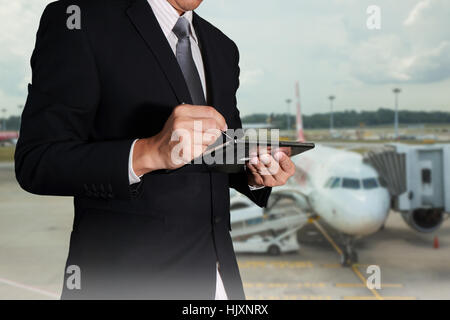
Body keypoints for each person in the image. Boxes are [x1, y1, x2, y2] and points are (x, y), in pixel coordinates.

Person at [15, 0, 295, 299]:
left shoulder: (222, 46)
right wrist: (149, 152)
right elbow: (37, 161)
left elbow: (219, 148)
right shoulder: (79, 21)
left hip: (217, 277)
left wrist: (254, 172)